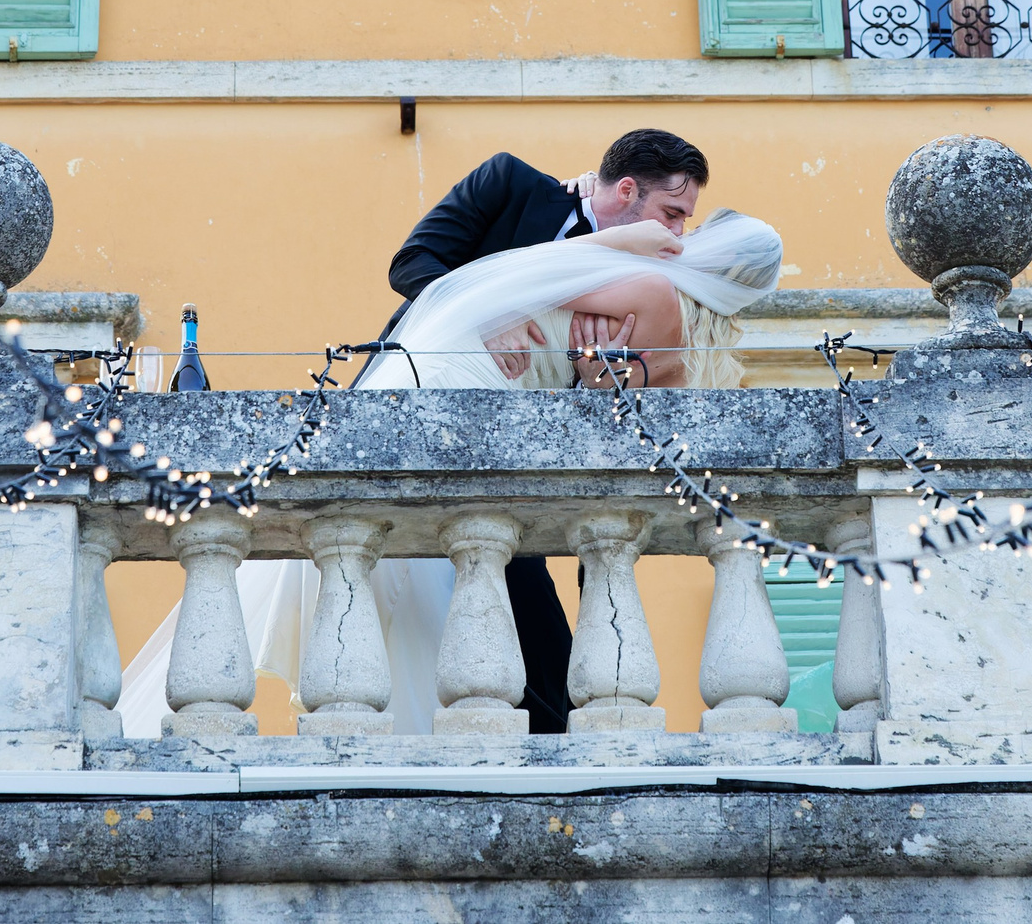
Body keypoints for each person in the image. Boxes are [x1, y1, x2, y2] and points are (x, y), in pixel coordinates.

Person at [110, 132, 785, 738]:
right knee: (431, 606)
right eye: (671, 215)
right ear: (630, 190)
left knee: (505, 632)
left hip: (519, 458)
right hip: (435, 384)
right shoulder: (513, 183)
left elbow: (601, 387)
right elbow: (413, 265)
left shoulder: (633, 276)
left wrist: (572, 323)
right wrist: (508, 306)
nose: (676, 236)